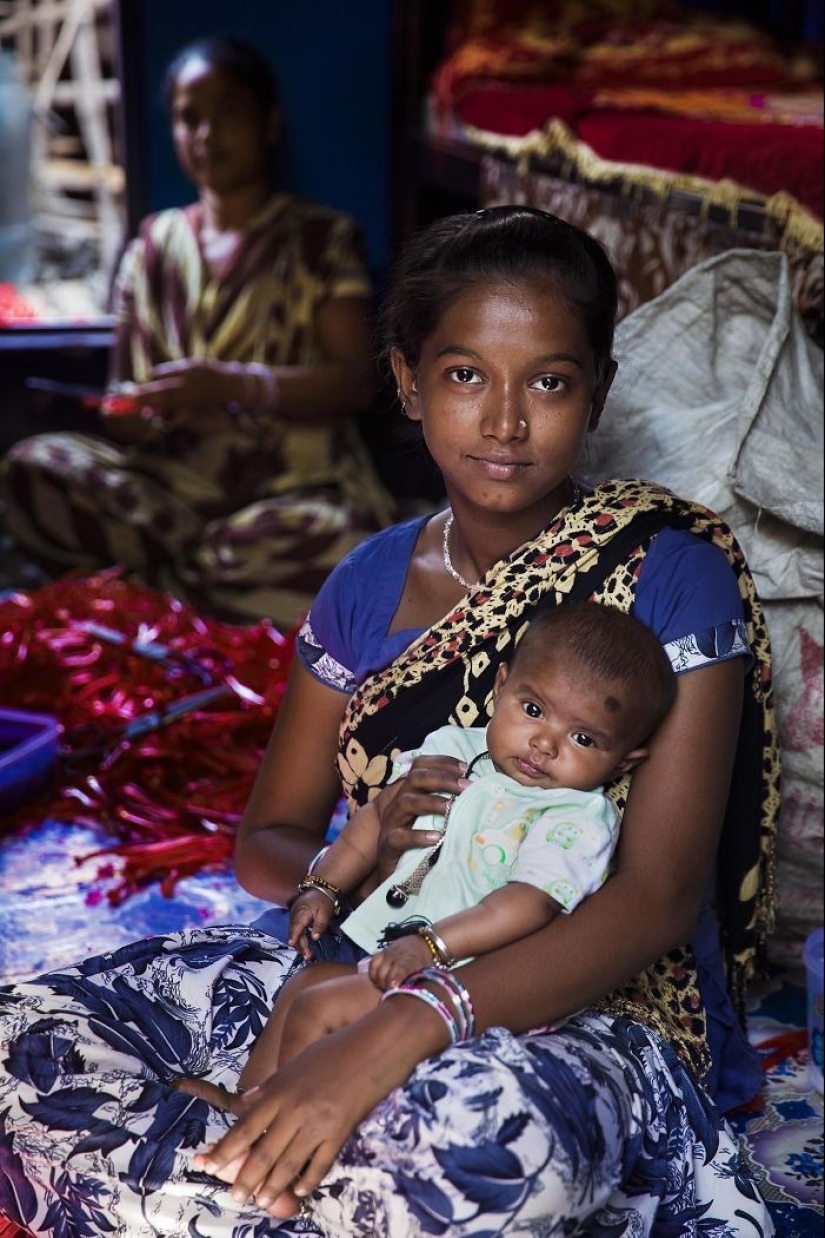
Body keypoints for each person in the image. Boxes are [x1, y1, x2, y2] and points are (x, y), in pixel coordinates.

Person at [0, 206, 779, 1237]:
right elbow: (269, 839)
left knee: (488, 1148)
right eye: (465, 375)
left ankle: (213, 1192)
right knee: (23, 1034)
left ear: (597, 393)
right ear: (409, 382)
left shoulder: (670, 569)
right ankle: (264, 1186)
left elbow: (656, 897)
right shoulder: (366, 584)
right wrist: (352, 866)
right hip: (375, 946)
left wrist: (411, 1025)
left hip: (584, 1001)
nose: (506, 420)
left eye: (548, 379)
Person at [0, 35, 394, 631]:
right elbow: (120, 404)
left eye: (228, 112)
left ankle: (150, 596)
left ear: (269, 122)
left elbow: (356, 383)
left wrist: (233, 385)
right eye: (189, 119)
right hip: (171, 493)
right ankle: (205, 586)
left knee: (345, 548)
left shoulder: (321, 239)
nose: (207, 136)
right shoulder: (153, 246)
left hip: (292, 491)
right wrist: (131, 416)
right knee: (32, 467)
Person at [224, 601, 676, 1096]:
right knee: (300, 990)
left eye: (583, 737)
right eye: (532, 710)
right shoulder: (452, 748)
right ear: (500, 685)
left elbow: (528, 903)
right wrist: (322, 887)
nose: (544, 744)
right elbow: (371, 821)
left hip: (463, 979)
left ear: (621, 763)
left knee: (318, 1009)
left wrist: (432, 946)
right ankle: (245, 1108)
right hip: (383, 946)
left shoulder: (575, 816)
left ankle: (282, 1123)